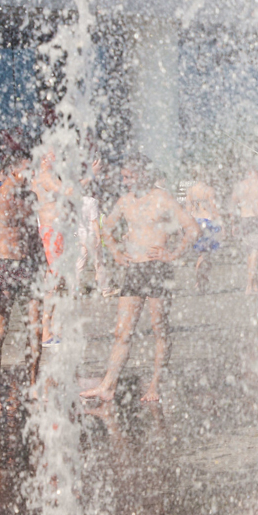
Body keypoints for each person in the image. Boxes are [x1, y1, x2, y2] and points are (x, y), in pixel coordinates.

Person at [80, 156, 199, 404]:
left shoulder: (162, 199)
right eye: (123, 177)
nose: (125, 181)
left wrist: (173, 253)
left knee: (159, 329)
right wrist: (114, 252)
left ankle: (155, 385)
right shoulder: (125, 202)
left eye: (129, 176)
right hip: (134, 270)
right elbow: (105, 228)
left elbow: (193, 229)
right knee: (122, 333)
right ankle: (107, 385)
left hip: (158, 269)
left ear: (144, 174)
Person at [0, 148, 42, 412]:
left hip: (30, 267)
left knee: (36, 329)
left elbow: (35, 238)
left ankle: (33, 385)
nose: (31, 173)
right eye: (27, 168)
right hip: (4, 267)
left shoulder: (31, 197)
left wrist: (46, 270)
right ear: (13, 170)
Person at [31, 150, 69, 348]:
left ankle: (50, 328)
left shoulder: (38, 176)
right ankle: (46, 332)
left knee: (55, 280)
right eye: (52, 154)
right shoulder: (46, 176)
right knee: (53, 282)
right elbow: (68, 191)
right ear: (45, 158)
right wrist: (88, 177)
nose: (57, 157)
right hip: (51, 232)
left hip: (50, 231)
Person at [231, 165, 258, 295]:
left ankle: (255, 283)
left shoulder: (240, 186)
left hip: (244, 219)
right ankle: (249, 285)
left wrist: (233, 223)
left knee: (251, 253)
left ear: (248, 172)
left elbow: (233, 204)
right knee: (255, 252)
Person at [77, 155, 112, 297]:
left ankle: (76, 288)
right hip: (91, 234)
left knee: (80, 261)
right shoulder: (92, 202)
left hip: (80, 234)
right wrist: (99, 236)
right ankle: (105, 289)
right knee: (99, 262)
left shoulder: (78, 201)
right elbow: (94, 221)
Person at [184, 173, 224, 293]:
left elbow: (188, 209)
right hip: (208, 221)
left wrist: (187, 226)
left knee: (201, 254)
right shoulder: (208, 190)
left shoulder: (191, 190)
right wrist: (221, 222)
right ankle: (201, 279)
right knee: (206, 255)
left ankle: (200, 280)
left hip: (196, 221)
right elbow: (213, 207)